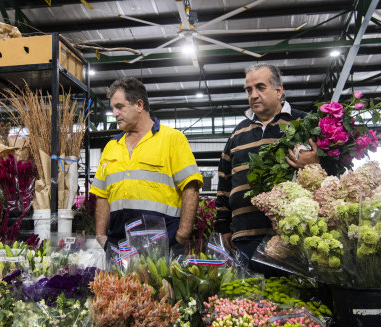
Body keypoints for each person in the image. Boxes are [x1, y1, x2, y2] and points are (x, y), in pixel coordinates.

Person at [215, 63, 318, 273]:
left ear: (279, 90)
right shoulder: (237, 134)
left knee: (291, 299)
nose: (253, 95)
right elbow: (224, 182)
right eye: (248, 90)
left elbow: (334, 172)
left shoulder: (305, 123)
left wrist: (315, 163)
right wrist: (223, 227)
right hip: (245, 237)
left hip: (292, 238)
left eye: (260, 87)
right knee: (252, 300)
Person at [90, 77, 203, 249]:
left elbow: (191, 186)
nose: (114, 114)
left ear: (139, 105)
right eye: (113, 108)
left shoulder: (172, 139)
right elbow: (101, 195)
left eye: (119, 107)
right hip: (118, 247)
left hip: (163, 246)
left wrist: (181, 235)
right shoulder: (110, 147)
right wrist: (101, 236)